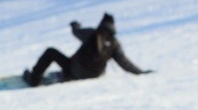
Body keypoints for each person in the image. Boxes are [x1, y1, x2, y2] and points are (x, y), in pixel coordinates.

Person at [22, 13, 151, 87]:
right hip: (94, 74)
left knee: (50, 52)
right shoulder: (114, 44)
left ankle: (34, 79)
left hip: (74, 70)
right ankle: (67, 75)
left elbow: (76, 32)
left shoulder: (92, 34)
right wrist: (141, 72)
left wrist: (75, 25)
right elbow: (125, 63)